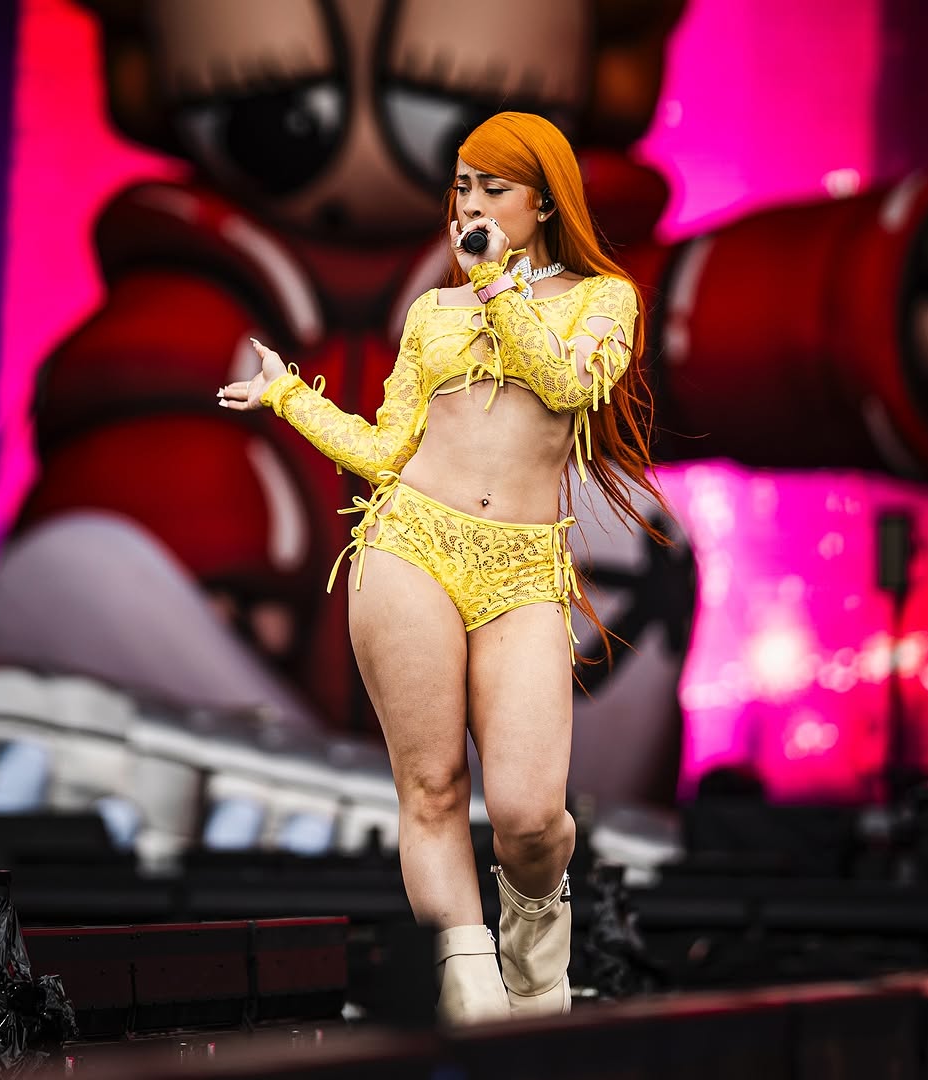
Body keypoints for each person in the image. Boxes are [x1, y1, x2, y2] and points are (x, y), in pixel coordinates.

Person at [217, 111, 667, 1024]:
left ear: (544, 202)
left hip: (523, 573)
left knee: (530, 817)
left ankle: (537, 973)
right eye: (462, 187)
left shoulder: (602, 300)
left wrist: (497, 284)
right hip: (410, 545)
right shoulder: (433, 313)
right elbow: (386, 450)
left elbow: (569, 385)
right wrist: (290, 396)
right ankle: (473, 1000)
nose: (471, 205)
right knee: (431, 791)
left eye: (494, 188)